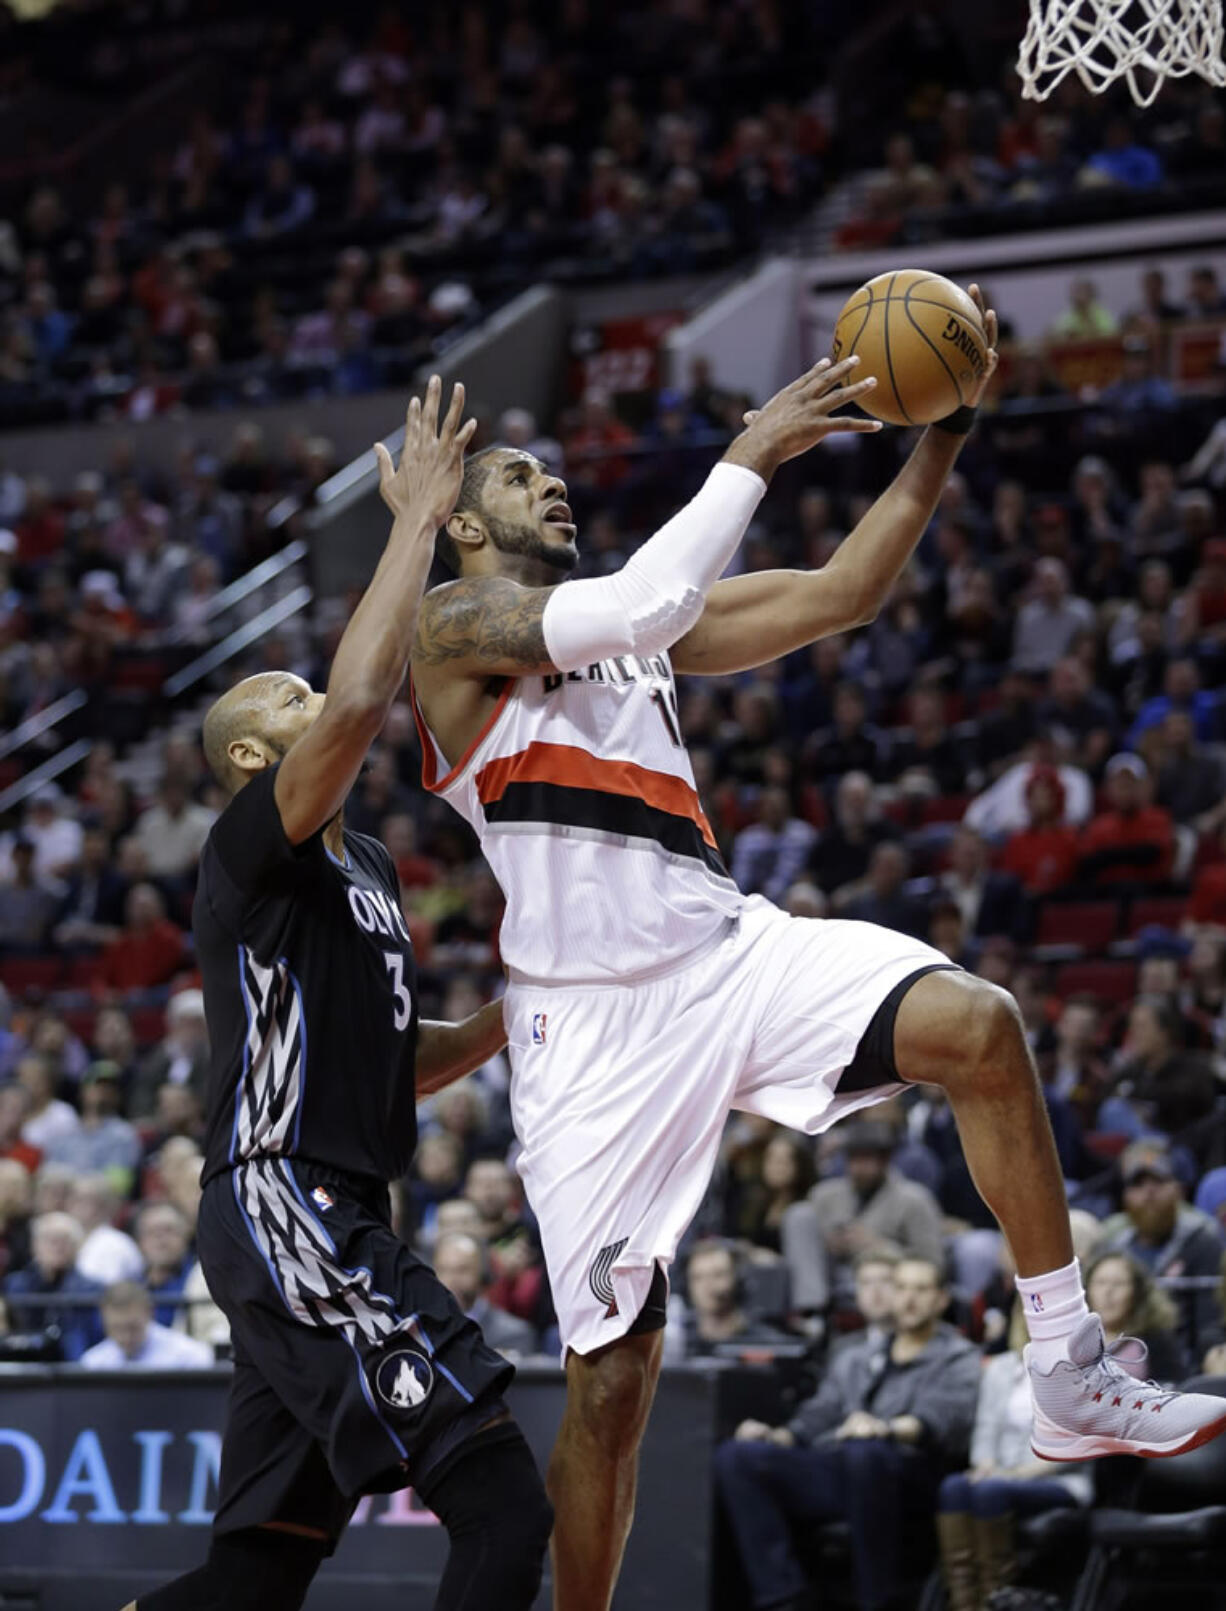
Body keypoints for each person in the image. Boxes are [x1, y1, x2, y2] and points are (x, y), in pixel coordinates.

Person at [409, 298, 1226, 1611]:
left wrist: (941, 437)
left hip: (729, 955)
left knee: (979, 1023)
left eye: (549, 466)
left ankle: (1069, 1361)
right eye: (518, 474)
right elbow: (650, 592)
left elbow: (845, 592)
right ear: (462, 526)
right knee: (613, 1376)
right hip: (589, 1032)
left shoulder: (638, 627)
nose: (550, 478)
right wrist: (757, 447)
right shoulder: (453, 629)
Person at [130, 380, 552, 1611]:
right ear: (256, 762)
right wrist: (415, 524)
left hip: (320, 1202)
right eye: (291, 703)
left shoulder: (363, 868)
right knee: (500, 1505)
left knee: (255, 1574)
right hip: (285, 1197)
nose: (321, 703)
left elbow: (389, 1054)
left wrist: (507, 1016)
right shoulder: (246, 849)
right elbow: (367, 697)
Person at [717, 1256, 980, 1611]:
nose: (909, 1298)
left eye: (921, 1289)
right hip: (842, 1468)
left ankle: (874, 1600)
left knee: (866, 1451)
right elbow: (820, 1412)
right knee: (739, 1456)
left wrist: (884, 1429)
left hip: (910, 1474)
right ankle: (784, 1596)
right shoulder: (857, 1356)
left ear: (941, 1300)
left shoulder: (958, 1357)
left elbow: (941, 1419)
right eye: (901, 1287)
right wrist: (780, 1436)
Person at [936, 1307, 1092, 1611]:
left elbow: (1077, 1446)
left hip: (1060, 1479)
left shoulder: (1086, 1371)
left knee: (989, 1491)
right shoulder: (1001, 1367)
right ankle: (965, 1602)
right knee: (953, 1487)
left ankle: (999, 1597)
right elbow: (986, 1426)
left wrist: (1016, 1475)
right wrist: (985, 1464)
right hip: (1001, 1476)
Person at [1094, 1139, 1225, 1361]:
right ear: (1125, 1196)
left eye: (1159, 1181)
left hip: (1186, 1364)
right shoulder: (1115, 1244)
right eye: (1138, 1185)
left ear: (1178, 1189)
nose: (1149, 1193)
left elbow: (1209, 1323)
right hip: (1125, 1357)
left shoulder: (1203, 1240)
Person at [3, 1210, 104, 1360]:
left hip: (73, 1366)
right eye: (50, 1240)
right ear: (34, 1246)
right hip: (21, 1365)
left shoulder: (92, 1290)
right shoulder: (15, 1286)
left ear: (77, 1248)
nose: (58, 1247)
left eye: (65, 1241)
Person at [1085, 1248, 1189, 1383]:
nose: (1108, 1292)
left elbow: (1173, 1389)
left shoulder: (1157, 1341)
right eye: (1100, 1282)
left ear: (1137, 1293)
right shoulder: (1073, 1338)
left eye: (1118, 1284)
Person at [676, 1238, 789, 1357]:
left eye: (718, 1275)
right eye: (697, 1278)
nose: (707, 1285)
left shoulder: (766, 1343)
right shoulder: (677, 1343)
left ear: (739, 1280)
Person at [434, 1231, 538, 1358]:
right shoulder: (417, 1332)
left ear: (483, 1274)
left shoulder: (514, 1334)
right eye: (443, 1270)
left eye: (462, 1270)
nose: (451, 1280)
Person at [81, 1280, 215, 1370]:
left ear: (149, 1313)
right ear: (103, 1319)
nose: (126, 1337)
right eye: (116, 1329)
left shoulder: (189, 1357)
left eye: (133, 1327)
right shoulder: (93, 1363)